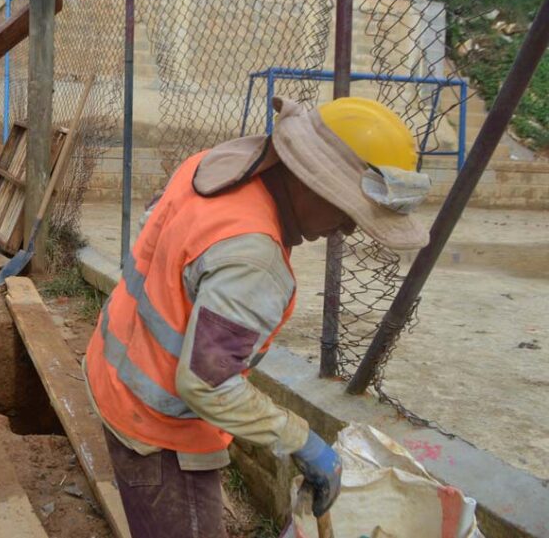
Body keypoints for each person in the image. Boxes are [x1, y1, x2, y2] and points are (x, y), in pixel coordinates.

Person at [84, 96, 432, 537]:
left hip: (114, 377)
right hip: (160, 432)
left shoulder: (215, 167)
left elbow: (155, 232)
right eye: (348, 211)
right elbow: (207, 385)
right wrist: (302, 441)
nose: (346, 229)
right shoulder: (255, 258)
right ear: (309, 179)